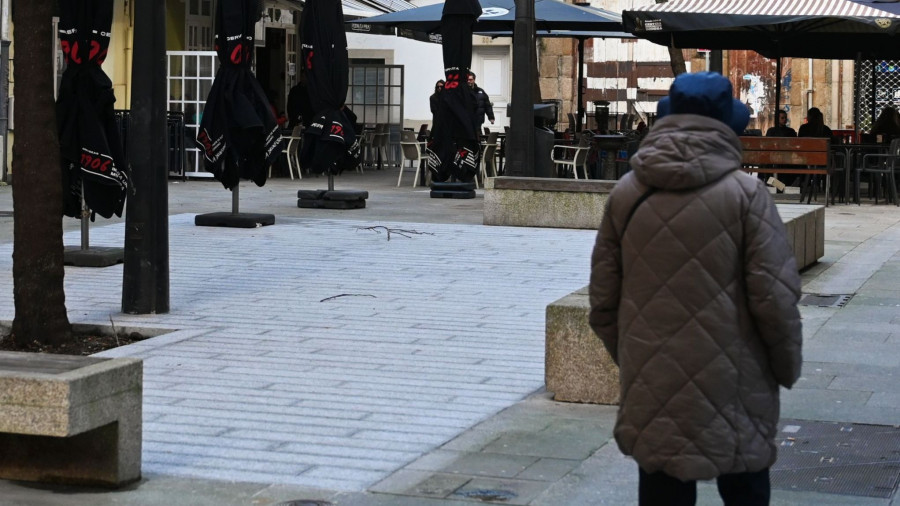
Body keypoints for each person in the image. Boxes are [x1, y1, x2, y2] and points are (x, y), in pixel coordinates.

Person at [589, 72, 802, 506]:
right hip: (737, 378)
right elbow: (774, 297)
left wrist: (634, 357)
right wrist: (785, 366)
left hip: (653, 376)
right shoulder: (746, 194)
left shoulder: (627, 192)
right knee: (744, 486)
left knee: (663, 488)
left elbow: (603, 300)